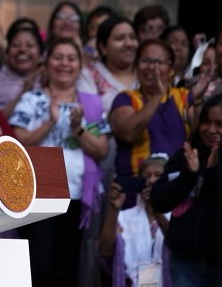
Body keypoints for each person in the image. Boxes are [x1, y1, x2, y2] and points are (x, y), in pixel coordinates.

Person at [9, 37, 110, 287]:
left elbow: (102, 150)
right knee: (38, 264)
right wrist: (51, 122)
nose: (64, 63)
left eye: (71, 58)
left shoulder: (92, 104)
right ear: (46, 63)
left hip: (76, 196)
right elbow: (17, 143)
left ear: (80, 65)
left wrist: (79, 130)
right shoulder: (31, 100)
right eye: (58, 57)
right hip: (35, 196)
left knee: (67, 267)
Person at [109, 38, 211, 209]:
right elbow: (128, 132)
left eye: (159, 62)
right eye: (146, 61)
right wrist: (157, 96)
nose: (152, 67)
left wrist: (199, 101)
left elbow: (202, 136)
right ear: (136, 65)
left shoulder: (185, 97)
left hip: (175, 190)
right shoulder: (125, 99)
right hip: (133, 192)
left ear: (171, 69)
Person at [76, 15, 140, 286]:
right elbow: (91, 121)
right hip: (104, 166)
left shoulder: (147, 72)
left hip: (141, 167)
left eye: (131, 37)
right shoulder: (89, 76)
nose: (128, 44)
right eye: (119, 38)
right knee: (101, 237)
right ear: (102, 45)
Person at [149, 94, 222, 286]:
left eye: (219, 124)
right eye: (206, 122)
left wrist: (214, 173)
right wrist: (188, 175)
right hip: (185, 263)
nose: (211, 129)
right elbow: (158, 199)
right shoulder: (186, 155)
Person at [98, 154, 171, 287]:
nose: (151, 180)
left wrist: (156, 206)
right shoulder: (125, 217)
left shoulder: (178, 214)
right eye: (146, 176)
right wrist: (114, 209)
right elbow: (105, 251)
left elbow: (176, 242)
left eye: (158, 175)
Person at [0, 19, 44, 118]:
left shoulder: (48, 80)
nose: (22, 49)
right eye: (16, 45)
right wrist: (23, 92)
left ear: (41, 55)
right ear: (7, 52)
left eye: (30, 45)